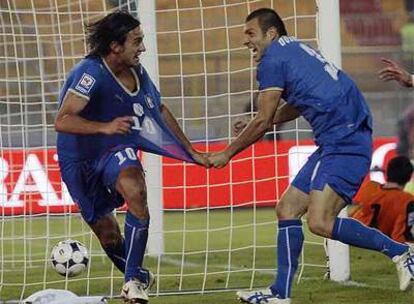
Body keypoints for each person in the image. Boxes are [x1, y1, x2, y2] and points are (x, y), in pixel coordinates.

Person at [207, 8, 414, 304]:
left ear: (271, 33)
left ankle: (401, 253)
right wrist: (265, 118)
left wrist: (227, 153)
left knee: (320, 221)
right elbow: (300, 103)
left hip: (345, 139)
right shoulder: (296, 50)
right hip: (338, 138)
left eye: (251, 34)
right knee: (288, 208)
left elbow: (263, 122)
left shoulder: (272, 61)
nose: (246, 41)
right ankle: (280, 293)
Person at [54, 10, 208, 303]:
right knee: (109, 236)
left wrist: (190, 151)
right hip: (79, 160)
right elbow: (62, 121)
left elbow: (158, 110)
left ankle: (132, 282)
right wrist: (105, 126)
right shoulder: (89, 73)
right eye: (137, 41)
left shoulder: (137, 72)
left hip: (115, 149)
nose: (143, 48)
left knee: (136, 190)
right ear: (115, 46)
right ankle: (137, 274)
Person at [349, 156, 414, 243]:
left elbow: (354, 210)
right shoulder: (407, 200)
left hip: (352, 235)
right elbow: (400, 237)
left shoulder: (370, 187)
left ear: (387, 172)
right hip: (377, 243)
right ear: (409, 177)